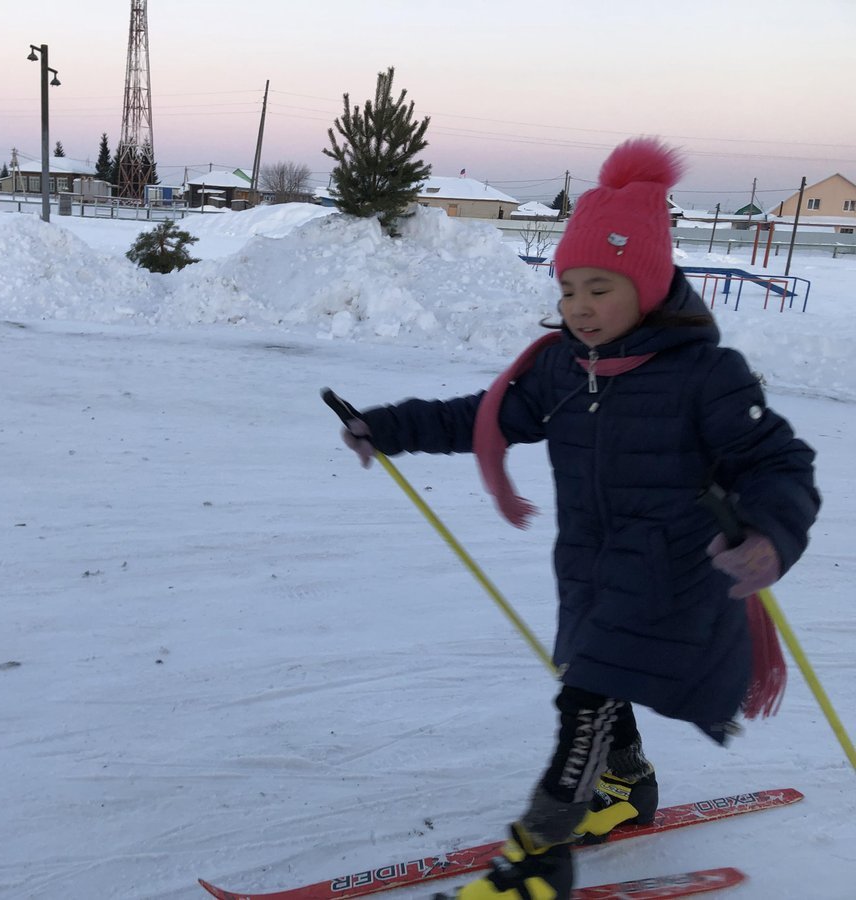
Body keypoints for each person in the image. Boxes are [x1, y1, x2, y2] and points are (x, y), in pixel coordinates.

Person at [339, 137, 820, 900]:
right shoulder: (563, 369)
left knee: (584, 702)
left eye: (601, 287)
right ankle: (626, 786)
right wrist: (389, 426)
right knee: (593, 679)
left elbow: (780, 463)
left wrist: (770, 533)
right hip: (593, 568)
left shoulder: (706, 375)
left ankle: (539, 858)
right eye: (568, 289)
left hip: (675, 576)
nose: (579, 307)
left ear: (649, 287)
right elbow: (484, 415)